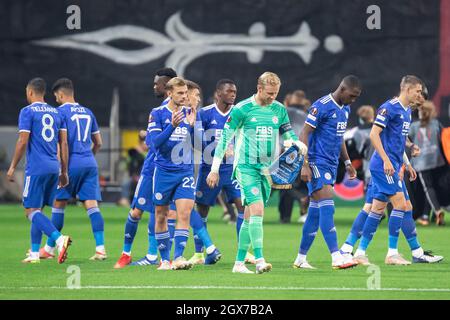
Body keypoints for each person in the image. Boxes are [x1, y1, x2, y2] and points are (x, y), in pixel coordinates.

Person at [207, 72, 307, 274]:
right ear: (259, 88)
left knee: (250, 215)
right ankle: (260, 259)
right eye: (269, 93)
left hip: (267, 170)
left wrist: (295, 142)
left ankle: (238, 264)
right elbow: (225, 140)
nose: (272, 97)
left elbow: (287, 133)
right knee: (258, 210)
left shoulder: (279, 109)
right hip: (246, 167)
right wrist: (214, 169)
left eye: (276, 93)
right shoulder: (242, 109)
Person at [349, 75, 428, 265]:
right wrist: (386, 160)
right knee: (399, 206)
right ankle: (392, 254)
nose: (420, 94)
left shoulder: (407, 111)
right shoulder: (389, 107)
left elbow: (399, 140)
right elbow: (374, 134)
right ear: (407, 89)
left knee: (378, 208)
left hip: (393, 165)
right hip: (384, 166)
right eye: (417, 91)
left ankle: (359, 252)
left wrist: (409, 152)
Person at [149, 77, 220, 270]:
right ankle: (164, 260)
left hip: (185, 171)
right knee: (161, 215)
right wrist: (172, 125)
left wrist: (191, 126)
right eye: (180, 93)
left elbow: (200, 144)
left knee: (185, 212)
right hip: (164, 172)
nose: (184, 96)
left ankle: (178, 257)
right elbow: (155, 144)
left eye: (185, 93)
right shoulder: (157, 114)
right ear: (169, 93)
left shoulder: (191, 114)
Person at [292, 76, 361, 270]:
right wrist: (304, 164)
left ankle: (300, 258)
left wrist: (347, 162)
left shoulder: (345, 109)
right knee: (328, 206)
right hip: (315, 162)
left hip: (331, 164)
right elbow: (303, 133)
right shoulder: (321, 106)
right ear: (343, 89)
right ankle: (336, 256)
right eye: (352, 96)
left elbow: (339, 138)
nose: (353, 100)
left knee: (315, 213)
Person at [35, 78, 105, 261]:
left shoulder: (58, 113)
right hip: (89, 163)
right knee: (92, 206)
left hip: (70, 164)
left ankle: (49, 249)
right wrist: (89, 157)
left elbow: (61, 143)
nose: (56, 100)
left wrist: (62, 168)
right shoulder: (88, 112)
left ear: (60, 94)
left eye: (56, 96)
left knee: (58, 205)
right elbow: (98, 143)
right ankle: (101, 249)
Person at [114, 68, 177, 268]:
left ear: (167, 85)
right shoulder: (160, 110)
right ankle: (127, 253)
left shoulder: (179, 109)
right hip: (153, 166)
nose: (154, 86)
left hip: (163, 168)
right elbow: (152, 140)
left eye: (157, 82)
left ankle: (152, 255)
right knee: (137, 210)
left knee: (159, 211)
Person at [7, 78, 72, 264]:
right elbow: (64, 143)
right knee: (39, 210)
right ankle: (35, 253)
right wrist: (64, 171)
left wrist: (12, 167)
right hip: (54, 167)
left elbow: (22, 141)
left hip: (36, 168)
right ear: (44, 92)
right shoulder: (57, 113)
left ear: (30, 92)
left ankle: (60, 239)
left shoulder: (27, 112)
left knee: (30, 211)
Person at [190, 79, 254, 265]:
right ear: (218, 94)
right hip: (210, 169)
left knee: (243, 207)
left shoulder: (239, 113)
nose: (233, 94)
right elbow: (196, 141)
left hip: (234, 170)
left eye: (235, 91)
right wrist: (217, 149)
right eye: (229, 91)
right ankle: (199, 253)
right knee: (202, 209)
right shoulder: (205, 113)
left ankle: (244, 252)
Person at [410, 100, 447, 226]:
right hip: (437, 161)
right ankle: (426, 216)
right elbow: (444, 140)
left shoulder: (414, 126)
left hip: (421, 163)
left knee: (428, 188)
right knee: (433, 188)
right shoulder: (436, 124)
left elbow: (405, 139)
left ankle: (437, 211)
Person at [278, 91, 309, 224]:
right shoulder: (307, 115)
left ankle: (287, 214)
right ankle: (299, 211)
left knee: (281, 184)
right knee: (291, 184)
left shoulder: (284, 112)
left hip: (285, 151)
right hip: (303, 152)